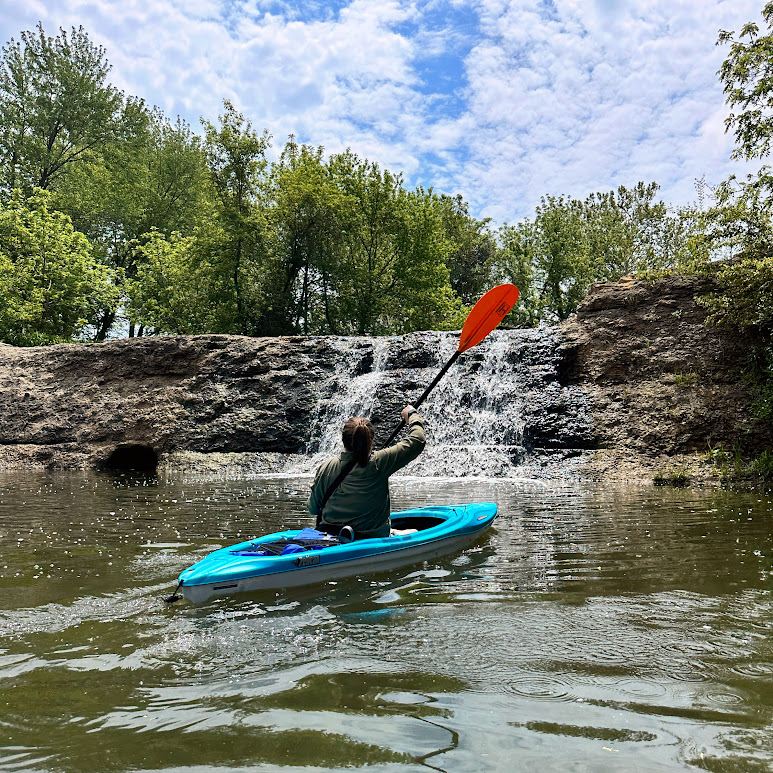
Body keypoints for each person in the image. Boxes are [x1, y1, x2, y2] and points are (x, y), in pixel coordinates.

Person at [308, 405, 426, 539]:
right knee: (415, 532)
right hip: (371, 538)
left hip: (329, 536)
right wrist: (412, 414)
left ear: (343, 440)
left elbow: (313, 509)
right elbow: (418, 440)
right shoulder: (380, 462)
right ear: (371, 440)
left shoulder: (326, 467)